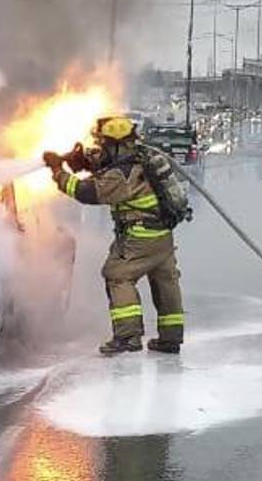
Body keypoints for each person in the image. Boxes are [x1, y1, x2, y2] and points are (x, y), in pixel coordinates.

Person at [43, 116, 185, 356]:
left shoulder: (122, 174)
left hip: (140, 236)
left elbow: (85, 192)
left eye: (105, 145)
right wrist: (79, 161)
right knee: (165, 280)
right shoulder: (144, 158)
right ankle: (170, 338)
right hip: (162, 235)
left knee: (117, 275)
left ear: (117, 144)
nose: (102, 149)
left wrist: (58, 171)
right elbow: (107, 166)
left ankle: (128, 336)